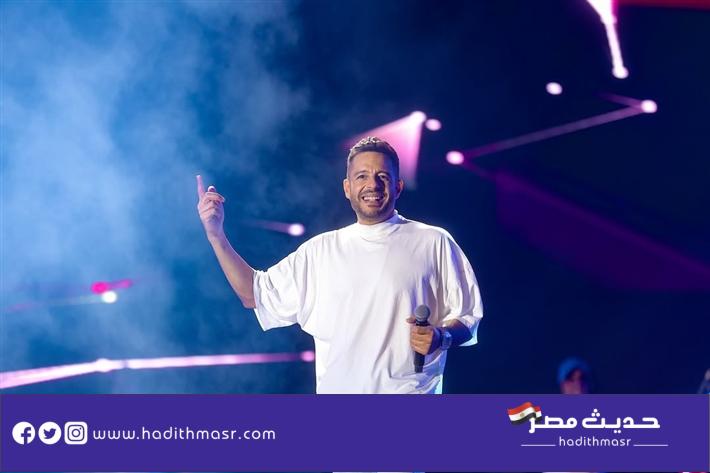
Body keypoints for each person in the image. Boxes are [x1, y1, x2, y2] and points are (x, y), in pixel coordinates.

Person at [196, 136, 483, 394]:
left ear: (398, 186)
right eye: (362, 176)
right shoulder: (319, 251)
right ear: (347, 187)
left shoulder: (433, 241)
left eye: (383, 176)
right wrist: (216, 235)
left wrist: (441, 336)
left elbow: (468, 317)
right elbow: (253, 294)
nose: (372, 185)